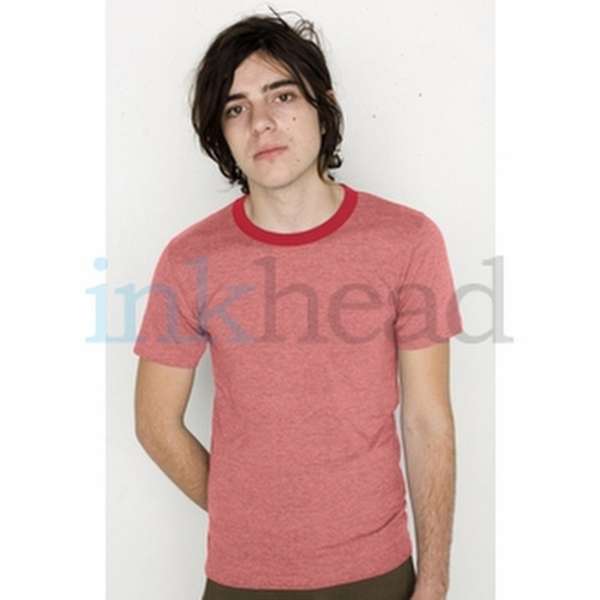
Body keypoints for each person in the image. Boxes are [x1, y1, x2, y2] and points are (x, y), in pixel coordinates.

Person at [133, 8, 463, 600]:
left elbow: (427, 419)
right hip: (241, 578)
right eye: (236, 108)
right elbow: (156, 424)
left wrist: (435, 580)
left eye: (282, 96)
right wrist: (250, 517)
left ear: (322, 107)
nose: (262, 122)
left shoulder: (408, 241)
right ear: (221, 133)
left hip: (378, 571)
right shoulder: (189, 260)